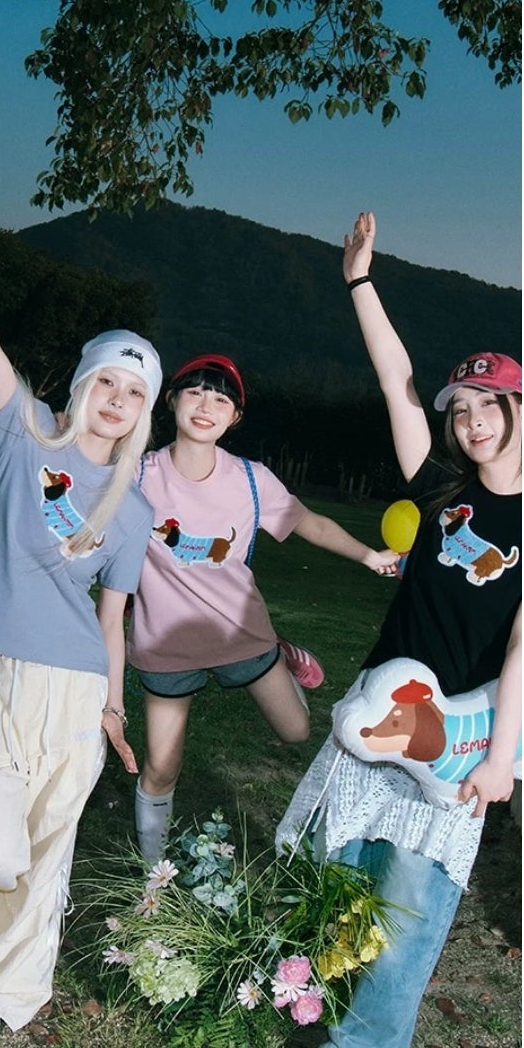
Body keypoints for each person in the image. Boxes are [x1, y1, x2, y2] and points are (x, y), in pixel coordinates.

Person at [0, 148, 157, 1048]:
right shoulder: (25, 432)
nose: (118, 399)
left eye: (136, 391)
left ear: (144, 408)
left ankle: (2, 988)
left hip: (75, 690)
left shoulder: (133, 508)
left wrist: (114, 705)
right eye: (109, 381)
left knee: (45, 850)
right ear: (84, 382)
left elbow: (113, 617)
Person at [275, 211, 521, 1048]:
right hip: (382, 706)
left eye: (489, 406)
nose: (472, 422)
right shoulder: (445, 489)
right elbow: (397, 382)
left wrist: (499, 757)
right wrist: (358, 281)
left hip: (457, 735)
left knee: (413, 890)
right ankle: (306, 999)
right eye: (462, 410)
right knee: (339, 856)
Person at [130, 353, 401, 862]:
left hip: (241, 634)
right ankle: (151, 872)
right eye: (195, 391)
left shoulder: (251, 479)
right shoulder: (139, 473)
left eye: (221, 398)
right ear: (171, 400)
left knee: (296, 731)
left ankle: (280, 654)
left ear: (235, 417)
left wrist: (369, 555)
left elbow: (309, 523)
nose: (206, 405)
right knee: (161, 767)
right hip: (165, 642)